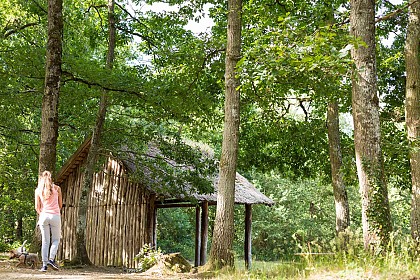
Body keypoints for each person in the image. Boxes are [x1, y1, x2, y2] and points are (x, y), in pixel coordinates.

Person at [35, 170, 62, 272]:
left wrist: (42, 214)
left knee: (45, 241)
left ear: (42, 178)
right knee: (56, 239)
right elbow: (60, 205)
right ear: (51, 178)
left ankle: (44, 266)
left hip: (43, 216)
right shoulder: (57, 189)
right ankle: (51, 259)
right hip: (55, 216)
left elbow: (37, 207)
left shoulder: (38, 190)